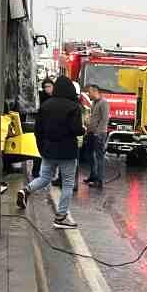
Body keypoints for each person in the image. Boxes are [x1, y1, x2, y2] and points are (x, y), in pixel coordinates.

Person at [16, 74, 84, 228]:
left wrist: (42, 149)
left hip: (48, 151)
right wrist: (83, 130)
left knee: (44, 177)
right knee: (67, 184)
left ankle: (26, 190)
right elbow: (76, 129)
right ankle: (60, 217)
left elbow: (37, 130)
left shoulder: (45, 106)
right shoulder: (73, 107)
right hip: (67, 152)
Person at [83, 84, 109, 189]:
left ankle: (99, 180)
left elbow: (104, 119)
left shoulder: (104, 103)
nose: (88, 94)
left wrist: (98, 132)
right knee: (89, 155)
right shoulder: (94, 103)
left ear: (95, 91)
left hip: (99, 134)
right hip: (91, 133)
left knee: (99, 157)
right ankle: (93, 176)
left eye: (89, 92)